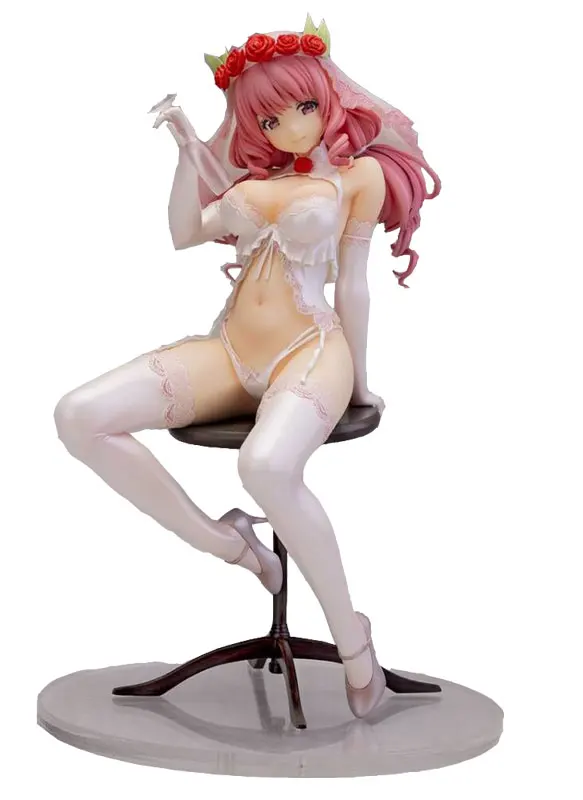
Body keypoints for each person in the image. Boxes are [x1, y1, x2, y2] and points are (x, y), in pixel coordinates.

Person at [53, 15, 440, 718]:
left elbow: (354, 286)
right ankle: (231, 544)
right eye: (269, 116)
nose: (291, 125)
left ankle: (354, 643)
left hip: (310, 350)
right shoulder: (249, 181)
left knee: (264, 465)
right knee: (80, 416)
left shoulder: (357, 177)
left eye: (305, 105)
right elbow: (184, 233)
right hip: (231, 352)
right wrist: (187, 154)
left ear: (328, 96)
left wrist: (360, 384)